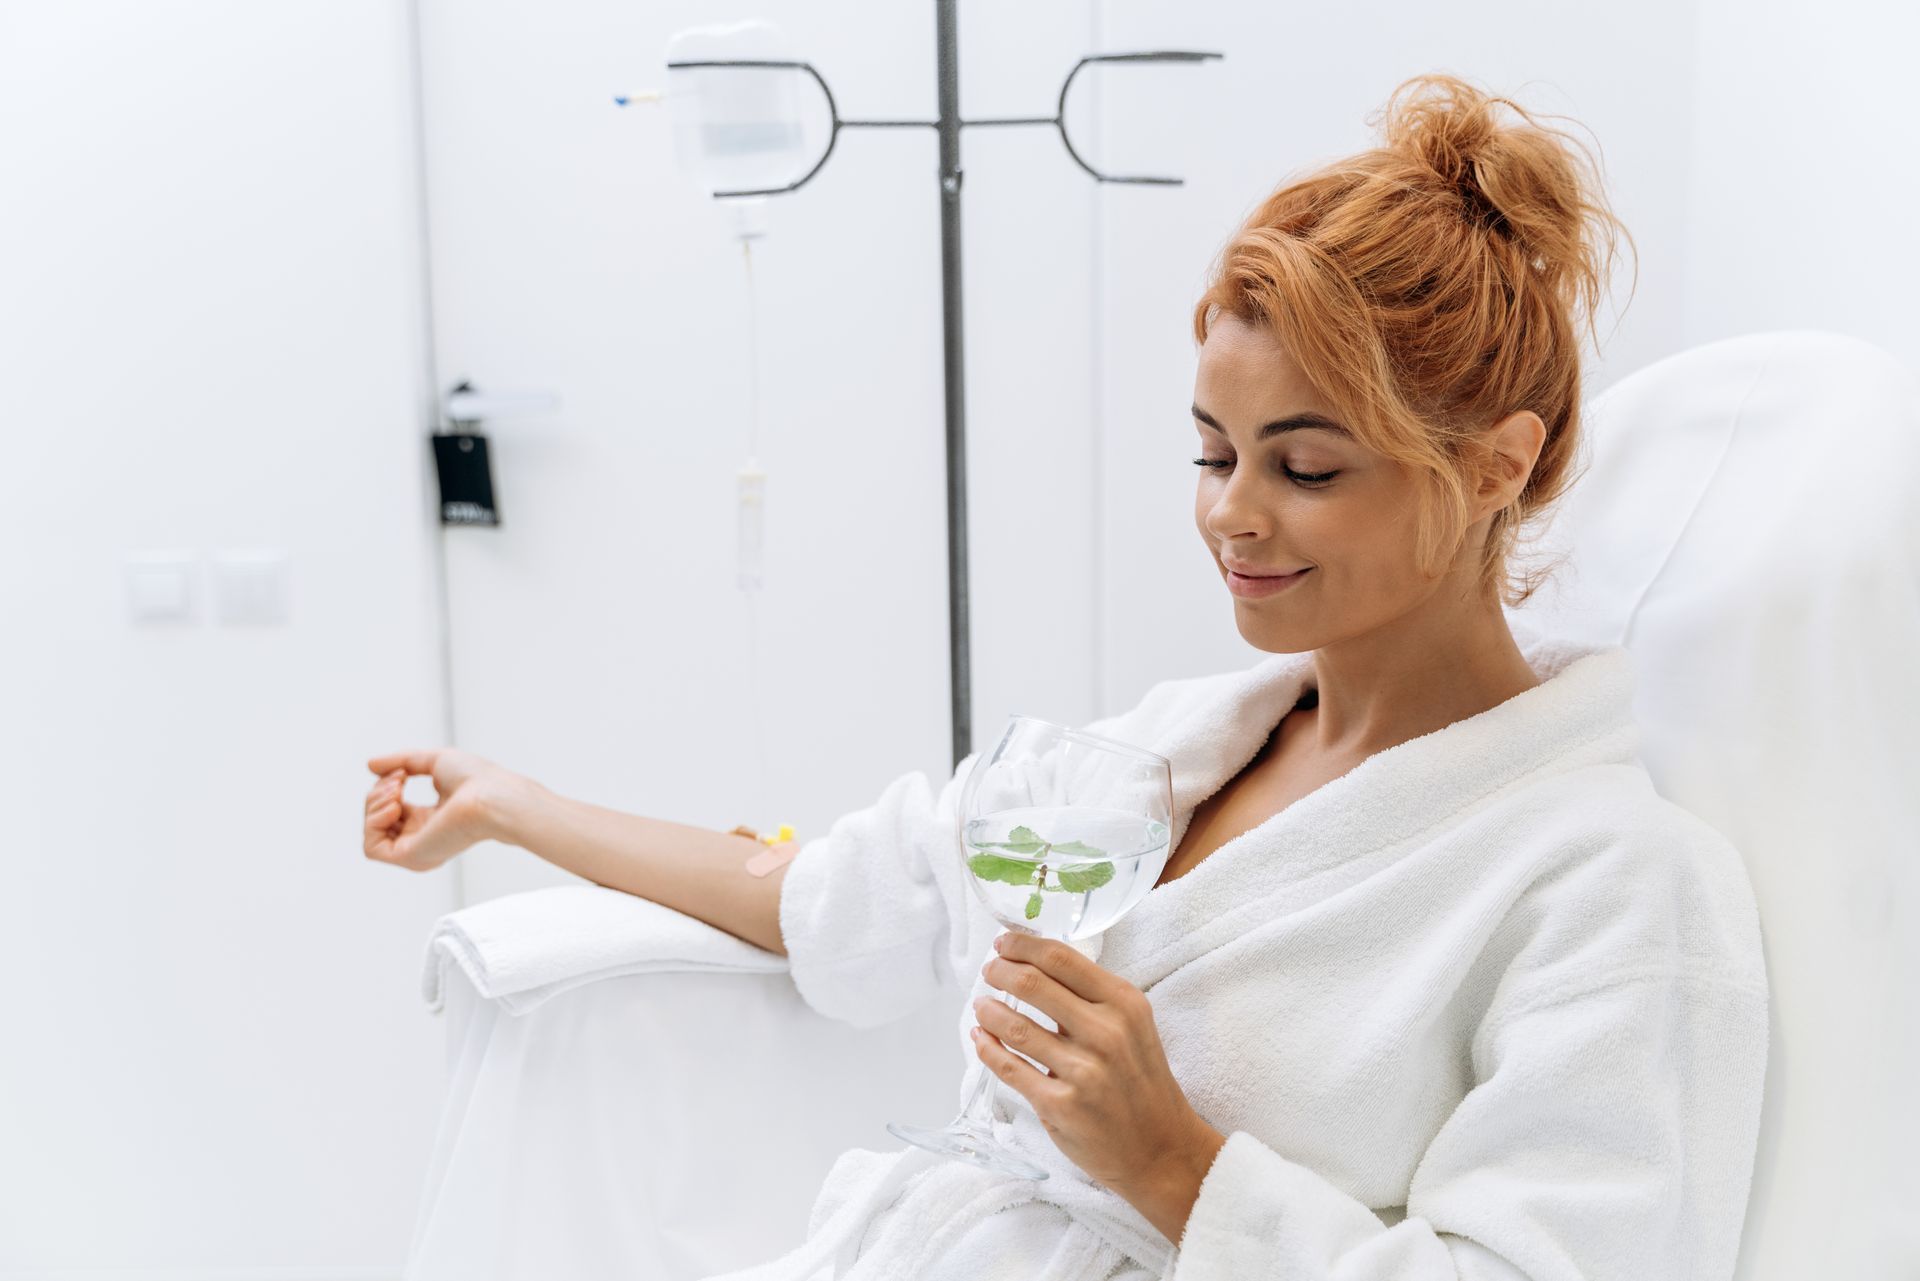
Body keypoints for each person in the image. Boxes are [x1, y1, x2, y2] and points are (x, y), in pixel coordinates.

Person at [363, 73, 1769, 1281]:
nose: (1231, 514)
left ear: (1497, 467)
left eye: (1307, 465)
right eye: (1213, 453)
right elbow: (826, 896)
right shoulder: (1157, 757)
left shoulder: (1612, 886)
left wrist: (1175, 1165)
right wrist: (514, 806)